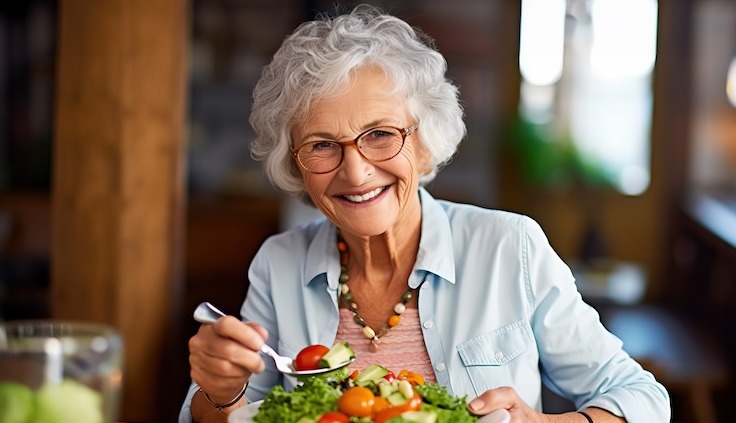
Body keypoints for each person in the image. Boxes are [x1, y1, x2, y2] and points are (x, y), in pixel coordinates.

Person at [180, 4, 670, 423]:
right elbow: (235, 410)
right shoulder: (279, 261)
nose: (355, 172)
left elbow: (643, 398)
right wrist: (221, 392)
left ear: (425, 143)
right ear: (295, 164)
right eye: (322, 145)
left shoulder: (509, 247)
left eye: (380, 135)